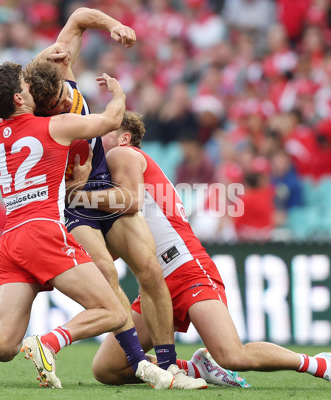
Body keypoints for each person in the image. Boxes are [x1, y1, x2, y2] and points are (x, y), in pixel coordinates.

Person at [73, 111, 331, 390]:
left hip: (186, 268)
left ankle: (320, 364)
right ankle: (195, 368)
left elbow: (133, 201)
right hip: (154, 283)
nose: (98, 136)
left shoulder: (122, 155)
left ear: (125, 138)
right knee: (108, 368)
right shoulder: (110, 183)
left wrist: (73, 194)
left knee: (232, 355)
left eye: (107, 131)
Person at [25, 8, 205, 389]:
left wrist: (116, 26)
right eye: (54, 103)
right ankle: (143, 365)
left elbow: (78, 18)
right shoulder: (38, 120)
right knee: (108, 274)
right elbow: (107, 121)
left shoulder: (62, 76)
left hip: (99, 186)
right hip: (72, 201)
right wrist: (119, 95)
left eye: (62, 94)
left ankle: (169, 364)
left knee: (151, 269)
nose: (63, 103)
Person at [0, 62, 129, 389]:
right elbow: (111, 121)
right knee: (113, 312)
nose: (32, 88)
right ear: (19, 98)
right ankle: (49, 343)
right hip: (42, 231)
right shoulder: (56, 127)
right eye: (26, 85)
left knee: (5, 344)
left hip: (9, 241)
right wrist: (118, 93)